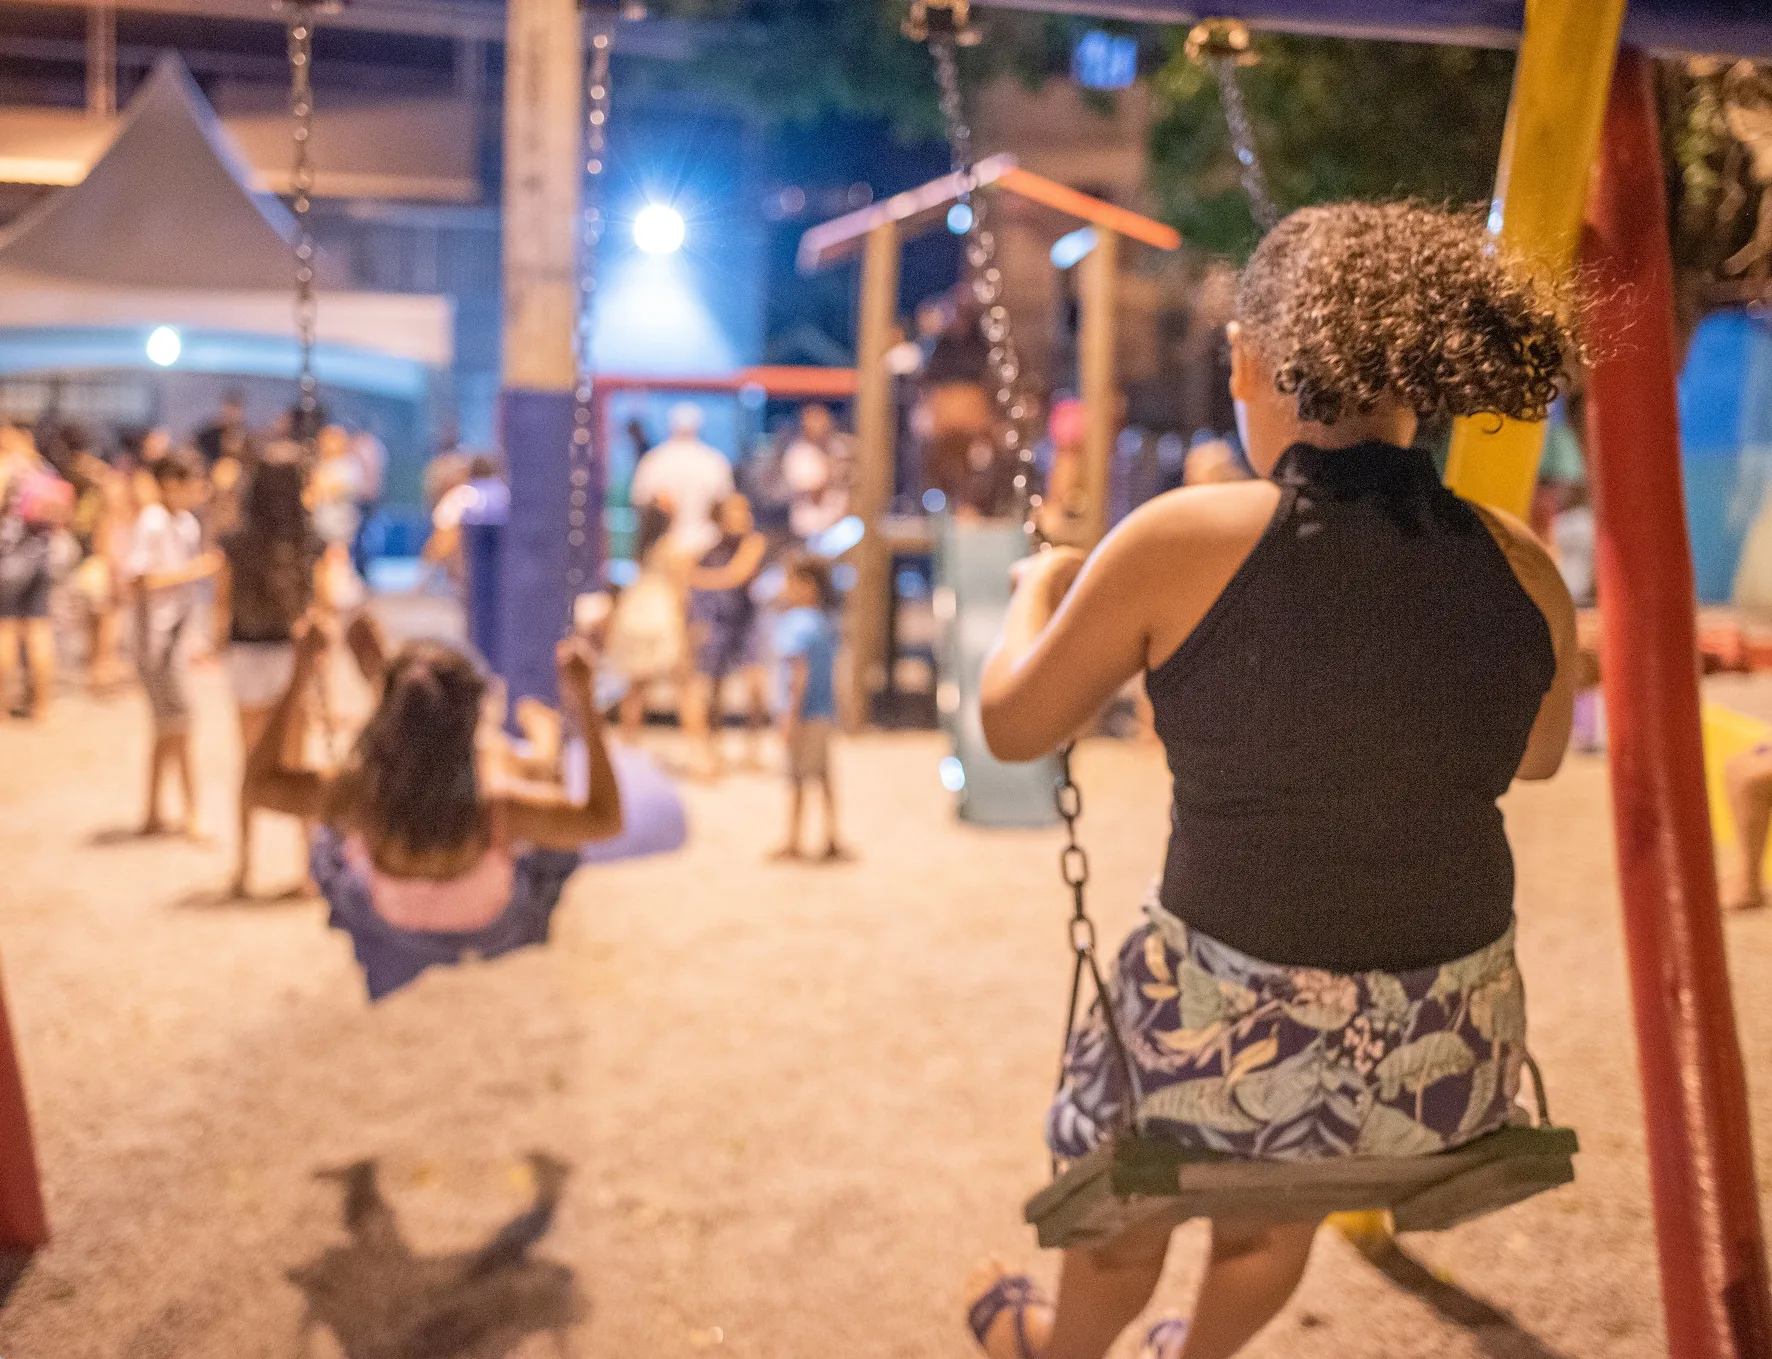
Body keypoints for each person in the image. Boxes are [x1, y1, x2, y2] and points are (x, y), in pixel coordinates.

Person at [965, 203, 1578, 1359]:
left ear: (1250, 360)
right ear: (1423, 379)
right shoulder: (1522, 565)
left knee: (1127, 1203)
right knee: (1271, 1197)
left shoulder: (1182, 540)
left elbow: (1012, 724)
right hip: (1437, 1073)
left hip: (1222, 1064)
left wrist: (1031, 598)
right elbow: (1536, 753)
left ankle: (1062, 1351)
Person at [241, 614, 623, 1000]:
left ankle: (394, 691)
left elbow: (258, 787)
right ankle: (528, 742)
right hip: (492, 927)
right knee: (548, 847)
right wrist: (584, 702)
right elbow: (605, 820)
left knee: (330, 844)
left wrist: (301, 671)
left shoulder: (361, 798)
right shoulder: (494, 808)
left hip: (390, 917)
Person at [221, 454, 322, 896]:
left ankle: (245, 867)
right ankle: (307, 870)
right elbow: (315, 605)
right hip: (287, 654)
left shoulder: (235, 542)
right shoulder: (306, 541)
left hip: (245, 652)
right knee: (298, 764)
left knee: (251, 763)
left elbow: (222, 602)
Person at [127, 450, 223, 838]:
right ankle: (191, 812)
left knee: (168, 727)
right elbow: (139, 580)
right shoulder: (150, 522)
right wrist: (194, 571)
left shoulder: (186, 524)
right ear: (170, 483)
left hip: (177, 635)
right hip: (156, 639)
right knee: (180, 725)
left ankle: (154, 811)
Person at [685, 493, 770, 776]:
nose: (743, 518)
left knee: (756, 686)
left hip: (747, 621)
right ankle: (712, 749)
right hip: (719, 621)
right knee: (712, 689)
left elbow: (735, 575)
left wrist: (696, 577)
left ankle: (753, 748)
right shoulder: (709, 548)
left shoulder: (754, 542)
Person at [772, 555, 847, 861]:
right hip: (823, 712)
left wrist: (790, 716)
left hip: (803, 713)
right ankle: (831, 837)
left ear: (806, 586)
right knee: (824, 777)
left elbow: (797, 673)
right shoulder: (822, 622)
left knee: (797, 779)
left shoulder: (795, 622)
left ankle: (793, 841)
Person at [0, 425, 73, 719]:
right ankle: (42, 706)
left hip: (8, 564)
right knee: (40, 631)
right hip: (42, 561)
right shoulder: (44, 469)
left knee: (6, 631)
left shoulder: (7, 468)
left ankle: (3, 706)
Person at [631, 403, 734, 559]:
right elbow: (724, 504)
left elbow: (640, 502)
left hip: (666, 547)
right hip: (703, 546)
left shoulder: (654, 460)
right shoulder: (714, 460)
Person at [781, 404, 852, 541]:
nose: (820, 425)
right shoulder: (798, 453)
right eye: (813, 420)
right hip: (810, 530)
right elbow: (814, 494)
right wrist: (830, 468)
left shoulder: (839, 447)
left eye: (822, 419)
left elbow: (851, 483)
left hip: (841, 526)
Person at [195, 389, 251, 470]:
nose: (232, 414)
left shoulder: (247, 437)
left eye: (235, 410)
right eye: (229, 410)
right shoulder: (208, 434)